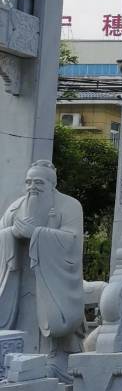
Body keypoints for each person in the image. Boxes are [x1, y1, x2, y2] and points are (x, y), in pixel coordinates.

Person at [0, 160, 84, 378]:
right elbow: (1, 235)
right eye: (28, 182)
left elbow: (72, 241)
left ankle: (55, 361)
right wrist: (11, 235)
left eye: (38, 182)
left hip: (51, 284)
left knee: (48, 330)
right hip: (20, 282)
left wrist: (36, 234)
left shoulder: (70, 205)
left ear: (52, 184)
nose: (32, 187)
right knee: (23, 323)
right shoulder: (15, 207)